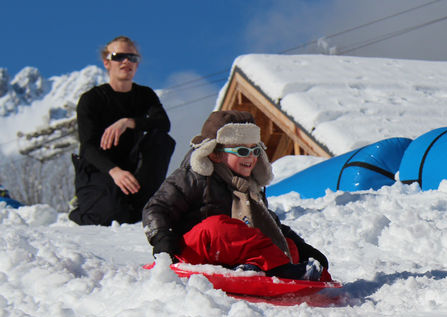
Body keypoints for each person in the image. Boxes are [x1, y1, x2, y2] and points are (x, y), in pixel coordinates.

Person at [142, 110, 329, 280]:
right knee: (217, 227)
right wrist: (162, 242)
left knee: (286, 245)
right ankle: (279, 269)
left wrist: (303, 249)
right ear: (214, 154)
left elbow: (269, 222)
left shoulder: (250, 188)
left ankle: (254, 267)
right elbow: (157, 208)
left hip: (229, 256)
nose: (251, 157)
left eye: (255, 150)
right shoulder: (193, 177)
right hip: (191, 251)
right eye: (241, 150)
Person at [69, 36, 175, 226]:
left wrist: (128, 122)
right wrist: (115, 171)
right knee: (110, 218)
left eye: (132, 58)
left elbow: (163, 124)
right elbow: (88, 148)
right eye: (119, 56)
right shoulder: (91, 99)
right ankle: (83, 207)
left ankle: (146, 202)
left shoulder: (144, 95)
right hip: (100, 170)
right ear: (107, 62)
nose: (126, 61)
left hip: (132, 169)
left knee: (161, 139)